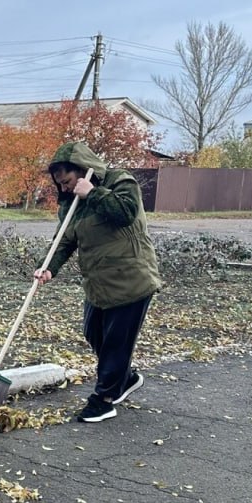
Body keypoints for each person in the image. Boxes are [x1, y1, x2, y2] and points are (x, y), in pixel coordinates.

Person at [34, 141, 162, 423]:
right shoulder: (71, 202)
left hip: (131, 279)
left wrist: (93, 193)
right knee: (94, 334)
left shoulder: (120, 181)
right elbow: (65, 239)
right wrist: (49, 268)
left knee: (116, 343)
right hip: (99, 283)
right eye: (61, 183)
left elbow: (125, 214)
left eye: (67, 180)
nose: (65, 187)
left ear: (83, 169)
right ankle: (125, 378)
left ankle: (104, 400)